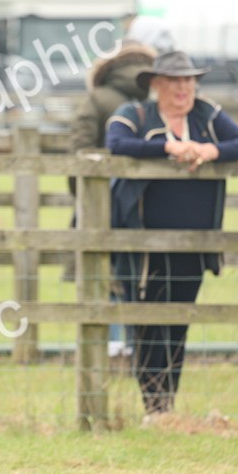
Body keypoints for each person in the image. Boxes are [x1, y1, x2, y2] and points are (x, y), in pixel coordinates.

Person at [106, 50, 238, 416]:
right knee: (146, 324)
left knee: (178, 323)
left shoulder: (207, 115)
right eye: (175, 82)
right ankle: (153, 407)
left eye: (189, 81)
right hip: (141, 243)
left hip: (195, 242)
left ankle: (167, 405)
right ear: (156, 85)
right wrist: (167, 147)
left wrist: (209, 149)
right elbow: (116, 143)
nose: (183, 89)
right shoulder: (136, 114)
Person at [66, 38, 159, 354]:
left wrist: (83, 197)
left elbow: (79, 149)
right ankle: (136, 343)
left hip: (103, 201)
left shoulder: (98, 98)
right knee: (139, 272)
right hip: (149, 203)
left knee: (103, 274)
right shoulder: (155, 99)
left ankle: (112, 344)